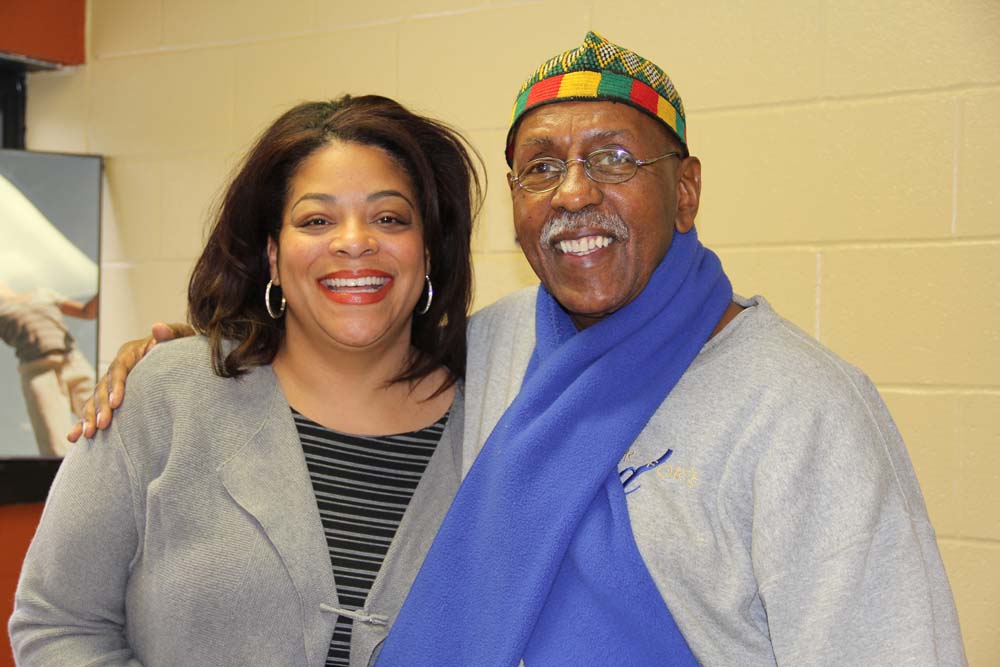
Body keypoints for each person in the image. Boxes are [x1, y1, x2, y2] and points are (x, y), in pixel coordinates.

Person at [63, 32, 967, 665]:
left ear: (686, 191)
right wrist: (183, 357)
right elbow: (336, 351)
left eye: (616, 159)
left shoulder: (802, 408)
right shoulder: (488, 354)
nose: (574, 192)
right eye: (541, 166)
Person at [10, 94, 481, 666]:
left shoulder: (492, 418)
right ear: (273, 256)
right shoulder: (164, 395)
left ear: (428, 251)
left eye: (389, 218)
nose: (355, 241)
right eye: (316, 220)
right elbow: (57, 622)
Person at [0, 282, 97, 456]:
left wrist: (107, 287)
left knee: (103, 419)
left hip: (72, 361)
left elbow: (86, 312)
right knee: (55, 442)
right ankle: (63, 480)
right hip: (38, 371)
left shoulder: (42, 293)